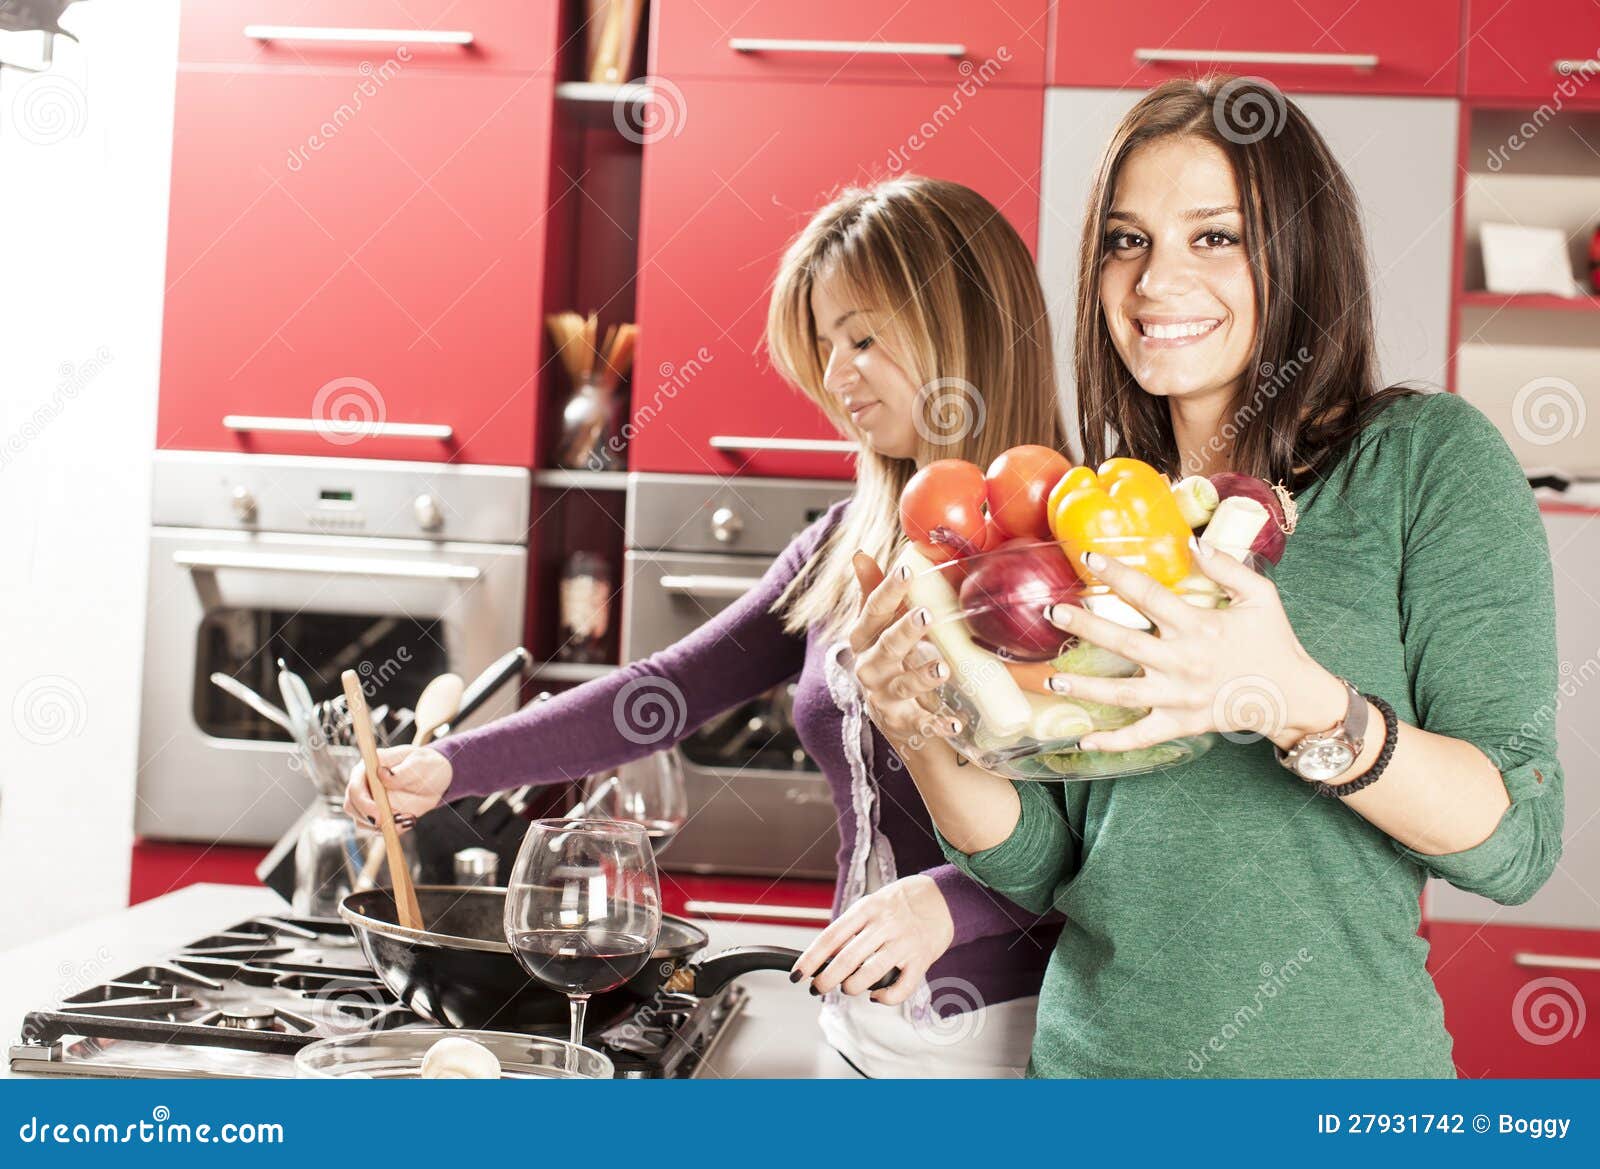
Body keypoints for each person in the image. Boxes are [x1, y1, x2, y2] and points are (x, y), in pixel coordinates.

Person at [841, 77, 1565, 1077]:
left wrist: (1293, 700)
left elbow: (1516, 840)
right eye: (1125, 240)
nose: (1152, 282)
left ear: (1299, 256)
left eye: (1213, 237)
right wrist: (917, 728)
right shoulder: (1083, 505)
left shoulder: (1421, 461)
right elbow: (1047, 862)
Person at [347, 176, 1068, 1077]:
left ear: (969, 328)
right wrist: (452, 765)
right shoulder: (840, 547)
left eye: (865, 337)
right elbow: (666, 691)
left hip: (1007, 1032)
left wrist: (950, 906)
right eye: (824, 344)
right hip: (855, 1025)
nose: (836, 375)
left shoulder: (1065, 548)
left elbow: (1107, 843)